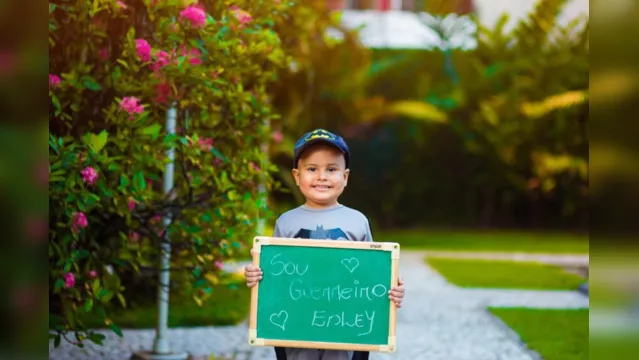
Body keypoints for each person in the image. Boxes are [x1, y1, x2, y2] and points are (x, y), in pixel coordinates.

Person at [244, 128, 406, 360]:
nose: (322, 176)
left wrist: (393, 290)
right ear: (297, 176)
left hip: (345, 330)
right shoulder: (286, 222)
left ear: (345, 177)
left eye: (331, 169)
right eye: (312, 169)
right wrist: (255, 275)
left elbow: (374, 274)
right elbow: (273, 275)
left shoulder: (357, 221)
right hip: (297, 330)